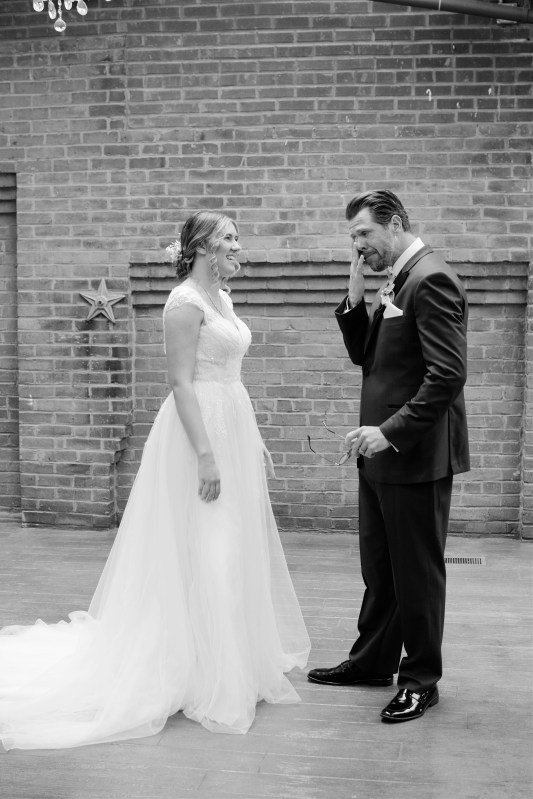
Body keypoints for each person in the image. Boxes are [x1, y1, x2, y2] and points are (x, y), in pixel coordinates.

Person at [0, 211, 310, 751]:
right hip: (196, 434)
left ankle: (220, 659)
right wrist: (206, 456)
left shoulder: (222, 299)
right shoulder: (183, 303)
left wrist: (251, 437)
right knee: (210, 545)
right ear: (203, 247)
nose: (239, 246)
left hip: (231, 423)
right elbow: (182, 383)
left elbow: (230, 375)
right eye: (230, 238)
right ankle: (200, 673)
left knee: (231, 544)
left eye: (237, 238)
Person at [307, 190, 469, 723]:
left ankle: (420, 680)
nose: (357, 245)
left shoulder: (431, 278)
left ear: (394, 224)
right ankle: (373, 661)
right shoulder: (397, 279)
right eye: (353, 236)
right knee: (380, 569)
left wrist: (390, 433)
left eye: (363, 233)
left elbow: (447, 376)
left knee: (416, 574)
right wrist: (355, 299)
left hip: (413, 455)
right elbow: (368, 357)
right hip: (377, 454)